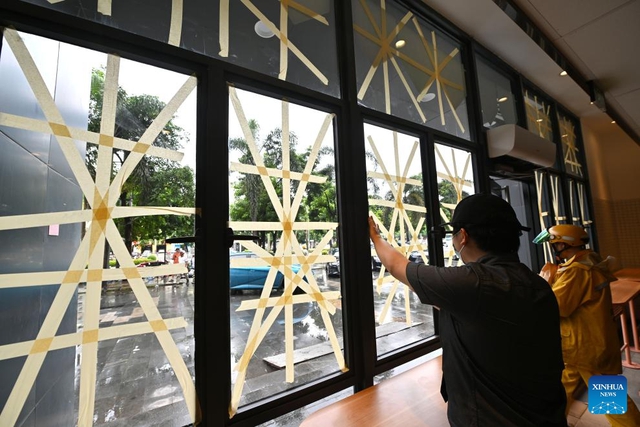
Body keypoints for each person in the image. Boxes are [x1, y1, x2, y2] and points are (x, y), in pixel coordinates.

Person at [368, 193, 567, 426]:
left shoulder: (474, 283)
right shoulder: (536, 283)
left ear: (463, 236)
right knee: (608, 386)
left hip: (494, 420)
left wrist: (374, 236)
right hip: (548, 410)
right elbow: (471, 310)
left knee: (609, 394)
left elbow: (395, 265)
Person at [533, 224, 640, 426]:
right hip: (584, 346)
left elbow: (558, 307)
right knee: (561, 392)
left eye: (555, 245)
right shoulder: (590, 263)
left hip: (585, 349)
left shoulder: (576, 271)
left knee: (609, 399)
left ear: (564, 244)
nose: (554, 250)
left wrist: (546, 281)